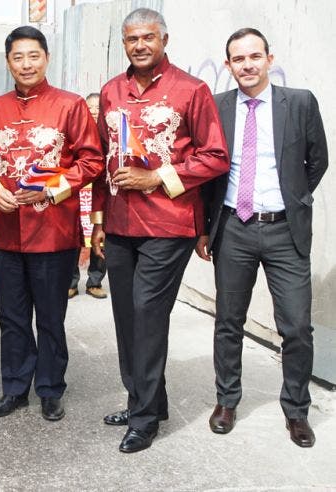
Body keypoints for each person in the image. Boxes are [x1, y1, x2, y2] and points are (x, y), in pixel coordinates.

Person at [91, 8, 228, 453]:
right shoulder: (112, 91)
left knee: (148, 315)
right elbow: (100, 161)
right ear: (124, 44)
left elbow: (215, 156)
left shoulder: (192, 90)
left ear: (164, 40)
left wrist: (157, 178)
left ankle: (145, 418)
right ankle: (144, 401)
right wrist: (96, 220)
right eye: (132, 39)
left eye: (149, 37)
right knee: (127, 317)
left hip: (169, 225)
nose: (140, 45)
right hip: (118, 222)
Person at [197, 28, 327, 448]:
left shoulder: (301, 102)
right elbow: (207, 171)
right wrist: (205, 227)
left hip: (285, 230)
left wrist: (292, 199)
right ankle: (227, 401)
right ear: (228, 65)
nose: (247, 65)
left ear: (269, 59)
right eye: (238, 59)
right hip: (233, 228)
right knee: (228, 321)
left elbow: (317, 160)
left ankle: (296, 411)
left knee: (297, 328)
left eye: (255, 56)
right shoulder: (216, 108)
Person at [0, 26, 104, 421]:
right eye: (18, 57)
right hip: (8, 230)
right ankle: (15, 388)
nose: (26, 64)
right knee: (11, 317)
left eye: (33, 55)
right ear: (8, 62)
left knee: (51, 317)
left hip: (53, 230)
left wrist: (50, 189)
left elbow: (91, 161)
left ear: (46, 58)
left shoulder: (70, 106)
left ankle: (50, 388)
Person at [69, 92, 107, 300]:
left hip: (101, 194)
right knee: (74, 236)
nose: (93, 112)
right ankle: (71, 281)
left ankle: (95, 281)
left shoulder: (110, 134)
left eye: (98, 108)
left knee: (101, 235)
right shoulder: (76, 133)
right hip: (77, 192)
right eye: (89, 108)